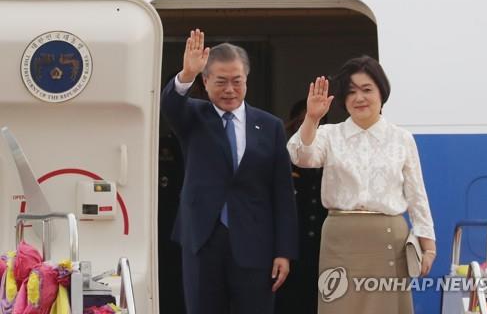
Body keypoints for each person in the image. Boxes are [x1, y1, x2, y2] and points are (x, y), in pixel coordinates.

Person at [161, 29, 298, 314]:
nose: (229, 90)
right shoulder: (194, 117)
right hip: (202, 239)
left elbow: (282, 192)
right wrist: (186, 73)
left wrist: (284, 251)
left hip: (255, 241)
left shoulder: (270, 126)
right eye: (221, 82)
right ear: (206, 81)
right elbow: (170, 106)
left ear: (246, 80)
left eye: (237, 81)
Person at [287, 55, 436, 314]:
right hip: (340, 239)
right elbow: (301, 156)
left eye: (367, 90)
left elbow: (416, 194)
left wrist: (428, 245)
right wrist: (311, 119)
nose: (359, 98)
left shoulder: (401, 139)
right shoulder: (329, 134)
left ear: (382, 93)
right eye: (351, 92)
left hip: (389, 239)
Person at [275, 99, 327, 314]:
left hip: (324, 250)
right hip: (292, 249)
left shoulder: (331, 159)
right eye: (302, 121)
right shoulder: (281, 159)